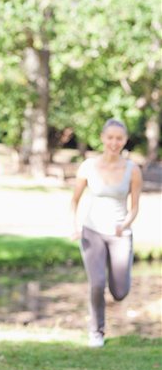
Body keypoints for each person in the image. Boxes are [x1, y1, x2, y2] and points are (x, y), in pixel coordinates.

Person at [71, 119, 142, 348]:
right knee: (97, 283)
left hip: (120, 233)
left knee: (120, 291)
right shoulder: (88, 166)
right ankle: (96, 332)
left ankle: (121, 274)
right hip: (92, 231)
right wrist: (75, 226)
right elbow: (74, 200)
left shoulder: (133, 169)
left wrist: (126, 223)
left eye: (119, 138)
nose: (114, 142)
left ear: (124, 140)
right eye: (110, 137)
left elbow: (134, 207)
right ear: (102, 138)